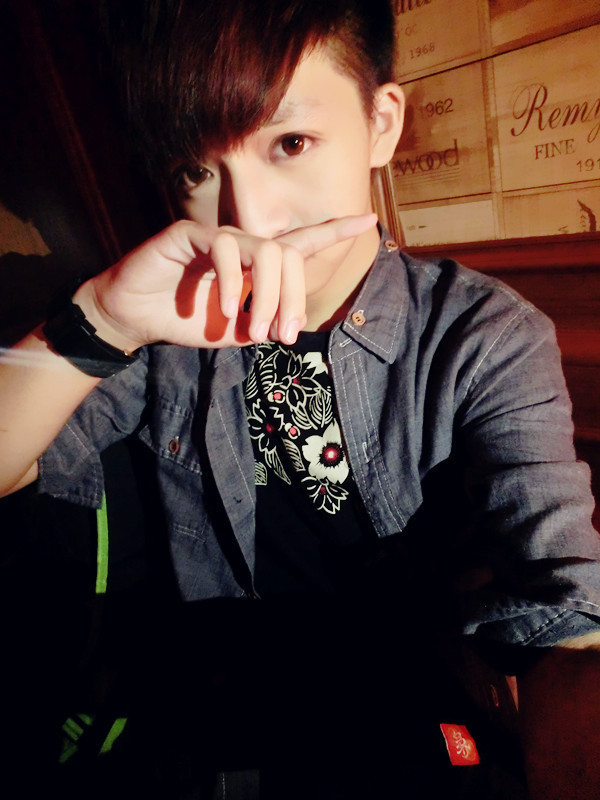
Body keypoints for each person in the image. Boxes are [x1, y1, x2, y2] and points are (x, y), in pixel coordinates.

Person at [1, 1, 600, 797]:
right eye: (195, 171)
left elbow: (562, 599)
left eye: (290, 143)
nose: (251, 220)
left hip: (401, 717)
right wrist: (103, 321)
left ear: (381, 123)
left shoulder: (480, 334)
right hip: (209, 712)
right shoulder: (171, 324)